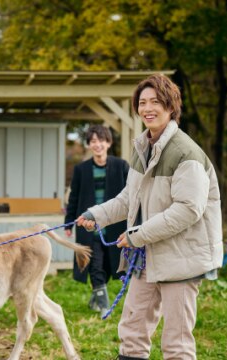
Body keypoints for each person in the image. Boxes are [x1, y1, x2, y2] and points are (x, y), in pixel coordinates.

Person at [76, 74, 223, 359]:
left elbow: (188, 210)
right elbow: (129, 199)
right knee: (132, 330)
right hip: (146, 256)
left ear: (171, 106)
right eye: (142, 102)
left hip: (181, 259)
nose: (148, 108)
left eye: (155, 101)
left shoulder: (186, 153)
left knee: (176, 342)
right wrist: (97, 214)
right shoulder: (143, 147)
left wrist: (136, 235)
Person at [64, 125, 130, 316]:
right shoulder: (81, 170)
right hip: (88, 226)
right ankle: (103, 304)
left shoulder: (121, 166)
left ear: (108, 143)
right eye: (93, 141)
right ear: (89, 145)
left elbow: (132, 196)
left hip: (114, 225)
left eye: (101, 140)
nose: (97, 144)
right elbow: (74, 197)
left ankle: (96, 297)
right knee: (95, 263)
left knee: (110, 265)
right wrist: (69, 222)